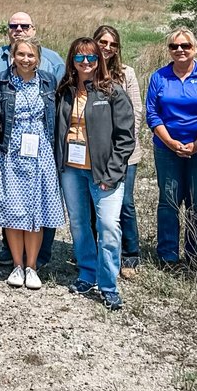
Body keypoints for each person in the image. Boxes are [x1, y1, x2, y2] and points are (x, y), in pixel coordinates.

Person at [56, 37, 136, 311]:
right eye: (80, 58)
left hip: (103, 173)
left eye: (91, 58)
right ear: (72, 61)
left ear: (100, 60)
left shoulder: (112, 91)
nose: (86, 63)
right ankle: (87, 273)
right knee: (79, 223)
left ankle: (108, 284)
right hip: (72, 171)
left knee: (109, 227)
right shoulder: (65, 91)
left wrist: (112, 173)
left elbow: (126, 138)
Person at [0, 36, 63, 290]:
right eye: (21, 55)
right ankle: (17, 265)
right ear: (13, 56)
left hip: (40, 152)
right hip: (10, 151)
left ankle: (33, 267)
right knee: (14, 211)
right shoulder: (1, 81)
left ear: (38, 58)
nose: (26, 59)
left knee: (36, 212)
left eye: (31, 55)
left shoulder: (48, 81)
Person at [145, 28, 197, 268]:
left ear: (195, 49)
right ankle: (168, 255)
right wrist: (171, 143)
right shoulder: (159, 77)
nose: (180, 50)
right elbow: (153, 114)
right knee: (169, 201)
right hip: (167, 150)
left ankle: (195, 255)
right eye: (174, 46)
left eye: (185, 46)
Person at [94, 25, 145, 279]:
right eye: (102, 42)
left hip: (124, 152)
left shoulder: (126, 74)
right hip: (93, 152)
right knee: (95, 203)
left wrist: (119, 144)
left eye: (112, 44)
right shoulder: (86, 70)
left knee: (124, 203)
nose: (107, 48)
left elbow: (136, 111)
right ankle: (96, 253)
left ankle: (129, 254)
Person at [0, 11, 64, 85]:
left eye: (25, 26)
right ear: (8, 30)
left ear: (33, 31)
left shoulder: (53, 61)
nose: (18, 29)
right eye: (13, 26)